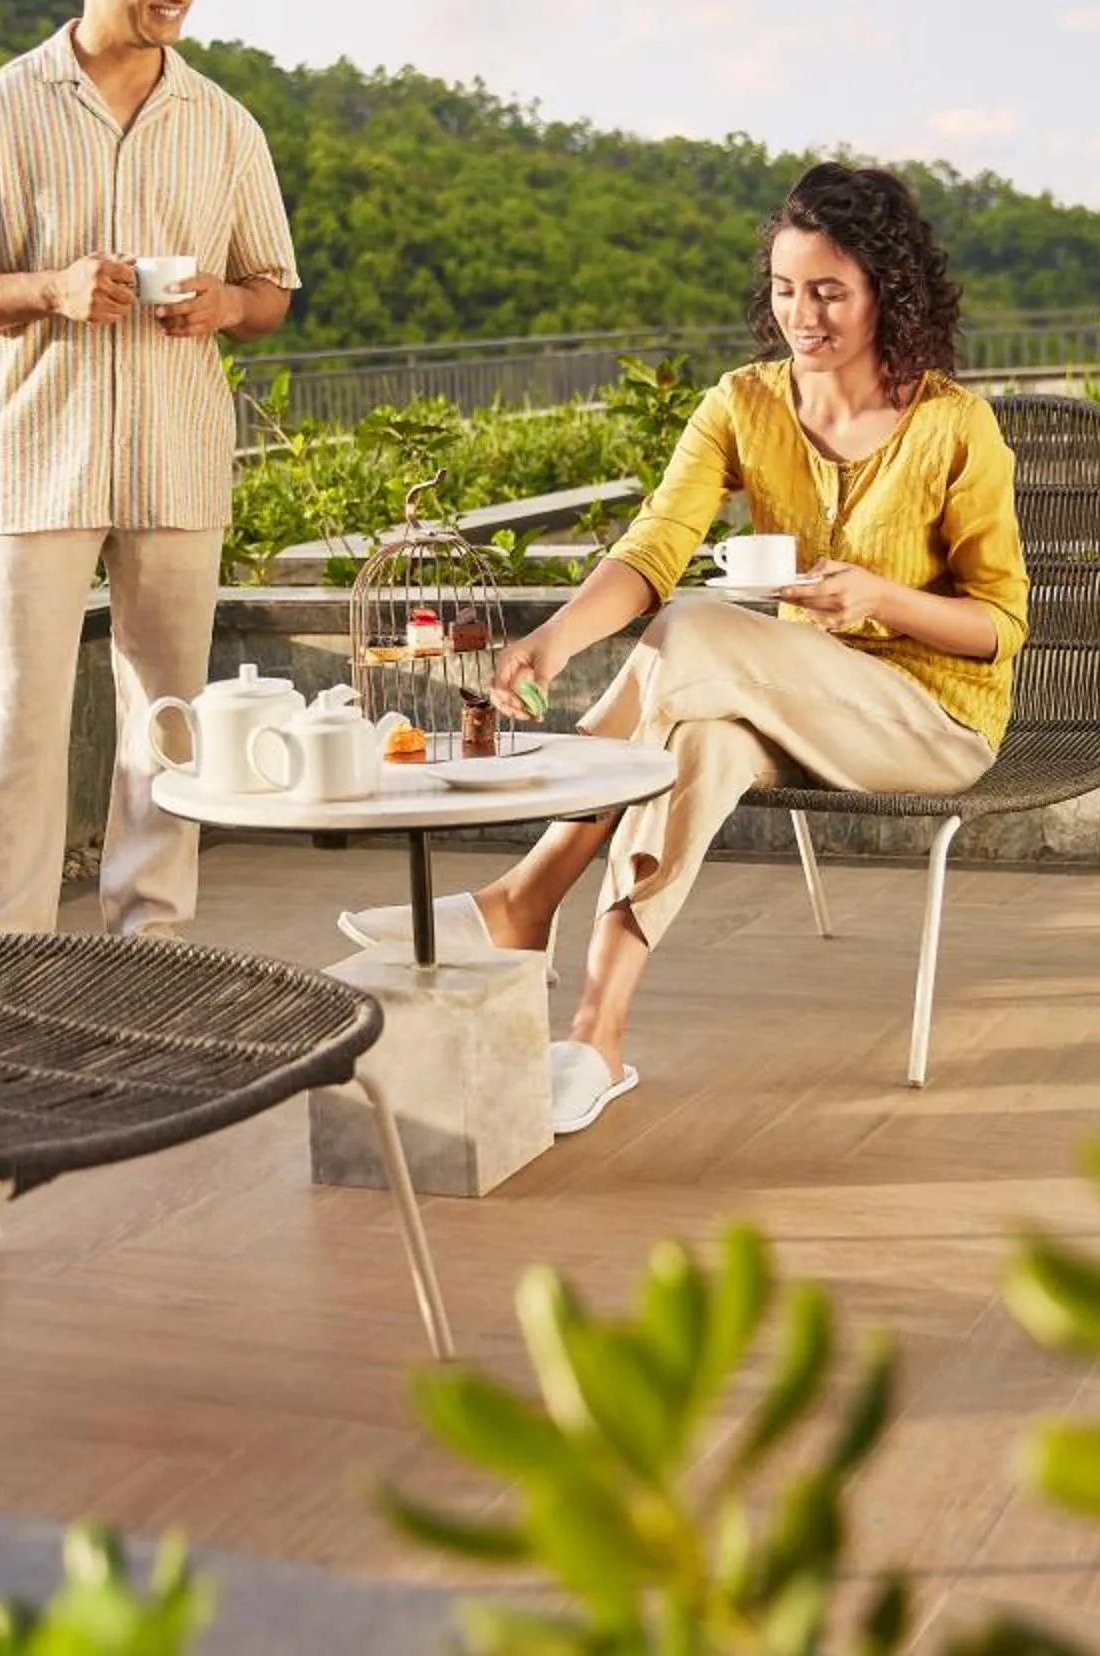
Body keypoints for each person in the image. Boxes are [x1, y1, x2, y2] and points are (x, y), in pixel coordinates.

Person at [335, 161, 1028, 1134]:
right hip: (789, 704)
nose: (803, 313)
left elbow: (998, 626)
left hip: (934, 718)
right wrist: (551, 637)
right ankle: (597, 1036)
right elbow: (657, 544)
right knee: (698, 742)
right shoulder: (743, 402)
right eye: (786, 289)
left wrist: (881, 597)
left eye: (829, 290)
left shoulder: (957, 427)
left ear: (888, 290)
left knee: (697, 628)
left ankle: (526, 894)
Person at [0, 0, 298, 938]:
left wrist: (223, 304)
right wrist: (50, 288)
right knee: (18, 726)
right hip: (39, 466)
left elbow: (273, 294)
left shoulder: (227, 127)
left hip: (177, 460)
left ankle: (152, 951)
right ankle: (3, 963)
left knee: (166, 725)